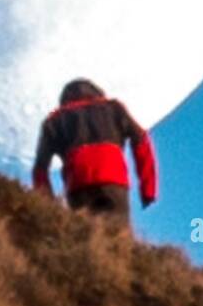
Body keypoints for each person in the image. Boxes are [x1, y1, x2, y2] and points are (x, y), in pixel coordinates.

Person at [32, 78, 157, 224]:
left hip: (78, 184)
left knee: (84, 237)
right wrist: (148, 188)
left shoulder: (53, 120)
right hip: (113, 180)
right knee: (118, 238)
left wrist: (48, 206)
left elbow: (40, 169)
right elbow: (141, 141)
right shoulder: (114, 108)